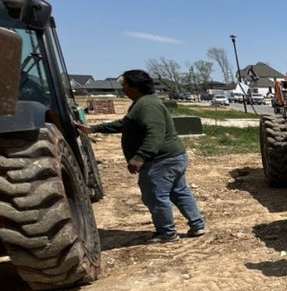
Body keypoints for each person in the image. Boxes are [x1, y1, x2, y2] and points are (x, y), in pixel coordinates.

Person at [78, 69, 206, 243]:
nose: (123, 89)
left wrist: (139, 157)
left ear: (134, 86)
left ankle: (167, 233)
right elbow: (126, 124)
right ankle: (197, 225)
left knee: (156, 196)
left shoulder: (147, 105)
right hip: (171, 157)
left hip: (161, 161)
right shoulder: (143, 103)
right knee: (179, 191)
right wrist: (94, 129)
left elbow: (155, 133)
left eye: (124, 85)